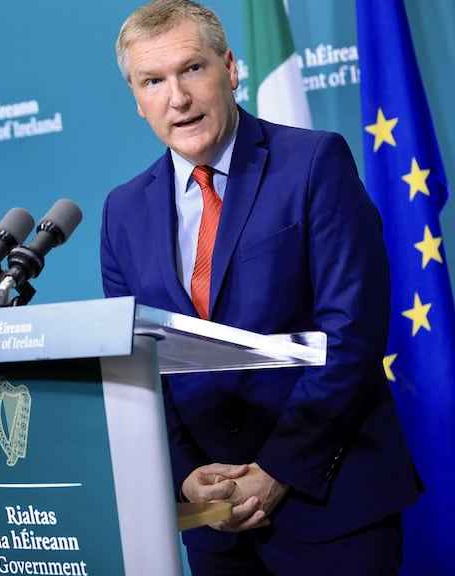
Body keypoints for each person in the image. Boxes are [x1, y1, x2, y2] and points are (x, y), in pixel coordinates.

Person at [100, 1, 421, 574]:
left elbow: (352, 334)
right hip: (214, 526)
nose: (177, 98)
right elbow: (139, 362)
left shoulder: (313, 162)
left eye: (192, 69)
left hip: (330, 506)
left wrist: (277, 471)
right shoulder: (122, 211)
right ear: (135, 96)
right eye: (154, 81)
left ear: (230, 67)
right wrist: (186, 476)